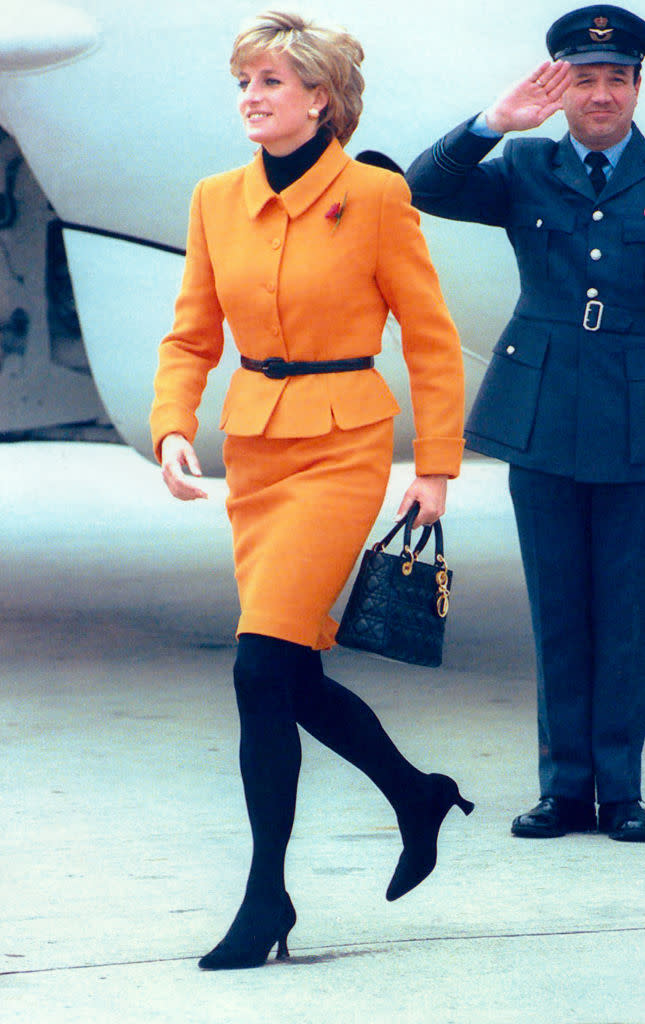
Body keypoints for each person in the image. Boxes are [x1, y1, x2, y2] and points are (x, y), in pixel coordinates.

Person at [150, 11, 471, 971]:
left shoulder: (374, 195)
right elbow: (190, 334)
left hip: (342, 444)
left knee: (258, 669)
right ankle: (416, 795)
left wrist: (437, 467)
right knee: (287, 674)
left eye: (271, 83)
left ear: (320, 98)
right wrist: (172, 424)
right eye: (243, 83)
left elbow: (428, 335)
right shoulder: (215, 199)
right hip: (254, 445)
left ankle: (265, 898)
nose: (251, 98)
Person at [406, 3, 645, 843]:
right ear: (560, 89)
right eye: (585, 79)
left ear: (636, 86)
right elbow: (420, 186)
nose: (602, 94)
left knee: (625, 612)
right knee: (557, 606)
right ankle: (563, 790)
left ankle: (621, 791)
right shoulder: (524, 164)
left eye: (617, 78)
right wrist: (490, 122)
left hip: (634, 412)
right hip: (541, 409)